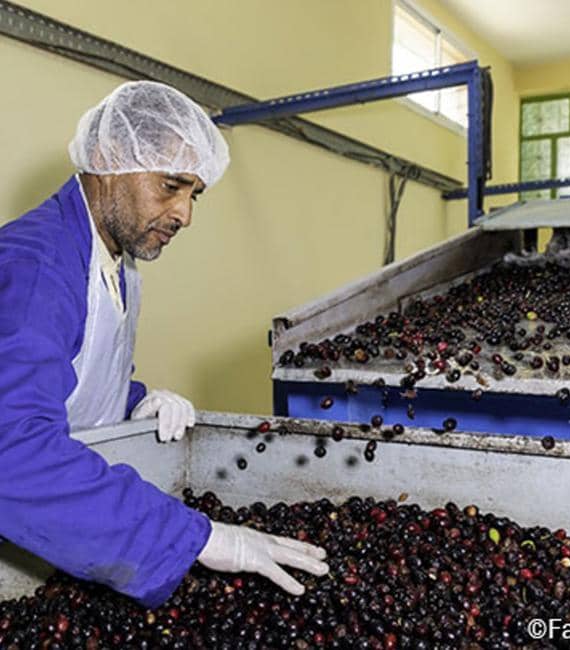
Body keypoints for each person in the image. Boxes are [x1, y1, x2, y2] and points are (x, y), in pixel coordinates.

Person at [0, 81, 328, 607]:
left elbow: (61, 370)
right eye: (171, 186)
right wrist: (195, 537)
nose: (185, 214)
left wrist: (134, 400)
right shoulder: (39, 268)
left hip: (77, 530)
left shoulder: (112, 261)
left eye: (193, 194)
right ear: (108, 158)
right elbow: (11, 449)